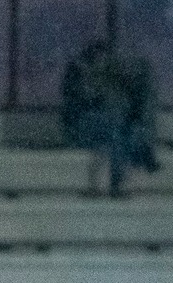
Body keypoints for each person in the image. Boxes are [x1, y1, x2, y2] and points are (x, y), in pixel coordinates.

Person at [60, 40, 158, 198]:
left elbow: (140, 114)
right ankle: (117, 183)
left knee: (124, 135)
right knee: (117, 134)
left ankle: (118, 181)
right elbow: (81, 103)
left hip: (112, 130)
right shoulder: (81, 71)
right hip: (83, 128)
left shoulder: (125, 82)